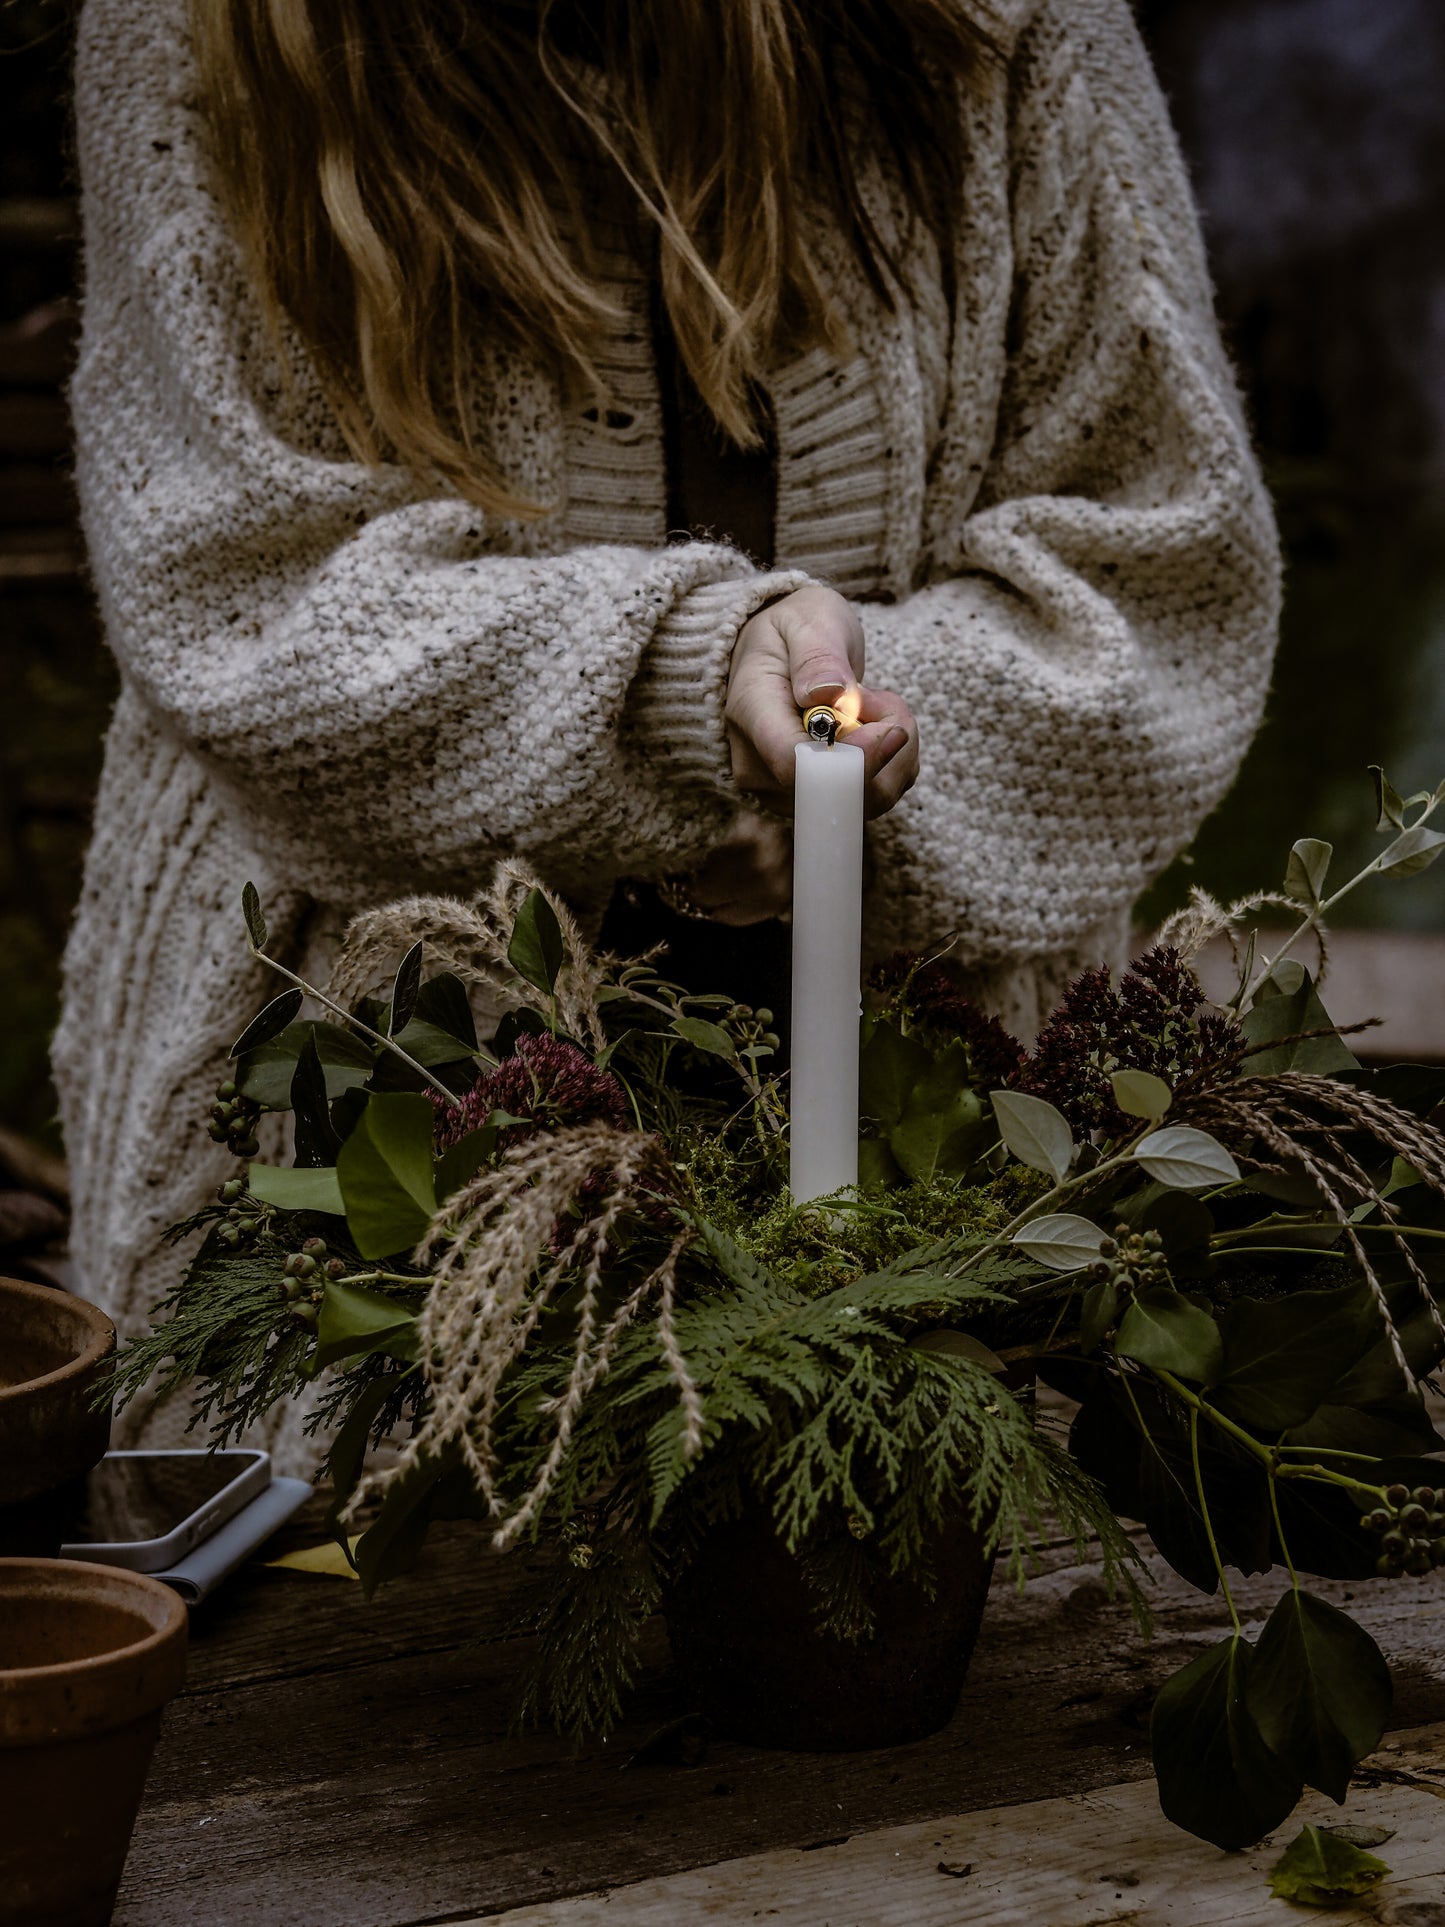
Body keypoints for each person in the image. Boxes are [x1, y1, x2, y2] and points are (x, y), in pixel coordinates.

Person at [57, 0, 1279, 1459]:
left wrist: (835, 774)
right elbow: (237, 592)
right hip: (345, 1164)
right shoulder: (202, 30)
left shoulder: (999, 26)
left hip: (940, 1145)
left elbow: (1161, 572)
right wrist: (685, 690)